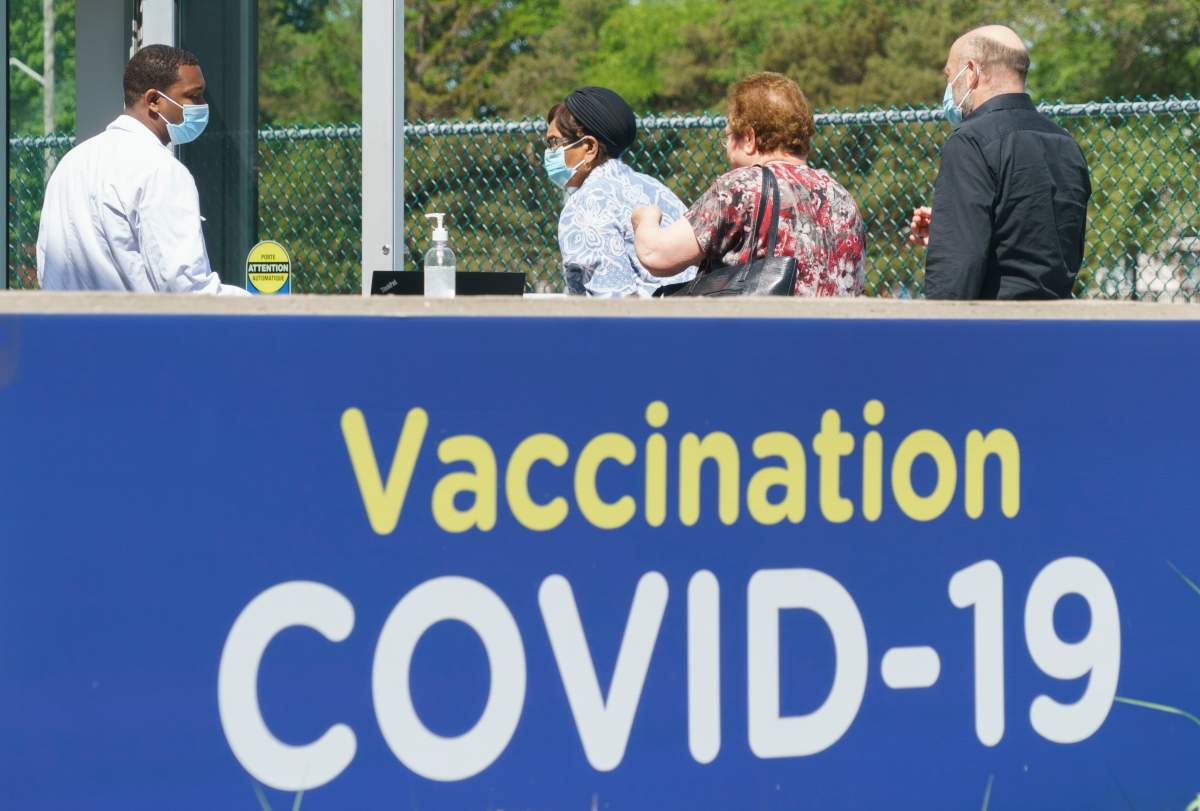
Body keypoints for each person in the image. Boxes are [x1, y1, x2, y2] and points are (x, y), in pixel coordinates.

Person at [37, 44, 246, 294]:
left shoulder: (71, 164)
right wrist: (259, 308)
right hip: (134, 332)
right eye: (194, 96)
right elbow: (185, 289)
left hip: (64, 330)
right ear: (154, 100)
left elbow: (46, 266)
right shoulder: (161, 171)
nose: (202, 105)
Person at [631, 72, 864, 296]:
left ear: (749, 138)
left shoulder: (742, 187)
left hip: (763, 332)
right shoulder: (841, 195)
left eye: (728, 137)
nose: (727, 149)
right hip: (833, 334)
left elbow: (657, 255)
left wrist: (646, 218)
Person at [909, 25, 1091, 299]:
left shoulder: (969, 141)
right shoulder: (1065, 143)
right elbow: (1036, 239)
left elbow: (956, 271)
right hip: (1054, 325)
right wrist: (951, 226)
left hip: (991, 329)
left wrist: (936, 334)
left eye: (949, 75)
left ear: (971, 72)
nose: (949, 88)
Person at [544, 87, 696, 297]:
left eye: (553, 142)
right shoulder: (655, 187)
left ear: (589, 147)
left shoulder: (586, 204)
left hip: (648, 326)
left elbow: (614, 303)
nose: (548, 153)